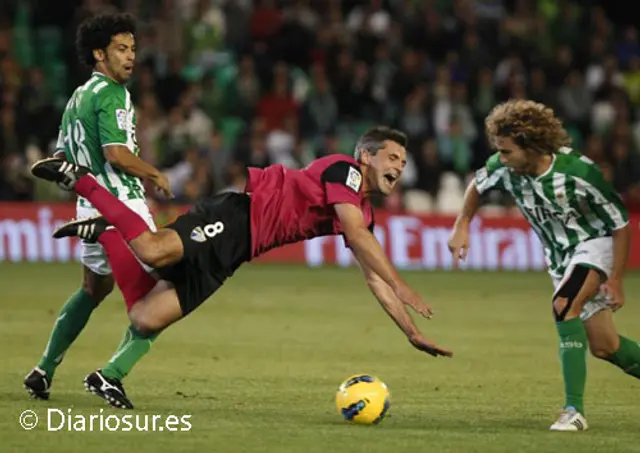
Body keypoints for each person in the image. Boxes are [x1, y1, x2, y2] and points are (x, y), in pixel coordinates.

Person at [31, 126, 453, 408]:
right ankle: (79, 178)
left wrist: (411, 331)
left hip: (237, 251)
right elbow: (360, 239)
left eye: (403, 162)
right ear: (366, 155)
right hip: (236, 218)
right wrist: (404, 287)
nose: (399, 167)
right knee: (154, 251)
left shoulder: (362, 210)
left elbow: (371, 274)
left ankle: (107, 234)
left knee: (145, 317)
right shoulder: (347, 171)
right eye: (393, 157)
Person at [447, 99, 640, 432]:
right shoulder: (504, 168)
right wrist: (462, 223)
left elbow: (621, 224)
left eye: (507, 151)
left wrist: (618, 280)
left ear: (531, 146)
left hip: (594, 246)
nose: (501, 158)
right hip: (560, 260)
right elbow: (476, 186)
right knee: (605, 346)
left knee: (564, 306)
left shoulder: (579, 173)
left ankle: (573, 412)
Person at [23, 13, 172, 408]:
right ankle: (112, 374)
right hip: (121, 205)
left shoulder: (77, 96)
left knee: (93, 289)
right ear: (98, 54)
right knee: (170, 291)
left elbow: (61, 157)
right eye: (121, 49)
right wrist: (154, 172)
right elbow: (117, 154)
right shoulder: (113, 94)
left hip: (87, 204)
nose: (130, 57)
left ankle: (43, 369)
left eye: (133, 49)